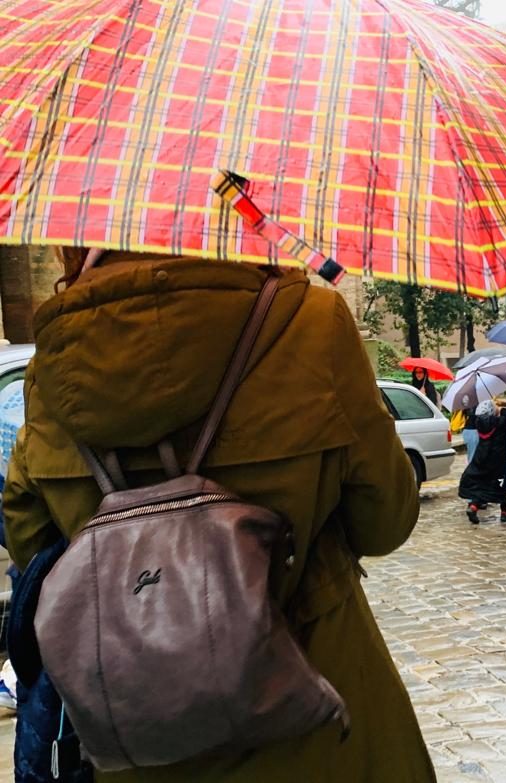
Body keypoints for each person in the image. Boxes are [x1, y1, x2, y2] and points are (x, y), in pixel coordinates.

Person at [2, 250, 435, 781]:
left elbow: (32, 545)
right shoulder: (310, 324)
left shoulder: (50, 364)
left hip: (142, 733)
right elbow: (385, 522)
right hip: (319, 719)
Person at [459, 401, 506, 524]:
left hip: (482, 457)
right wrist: (501, 410)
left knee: (482, 484)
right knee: (503, 485)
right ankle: (505, 512)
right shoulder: (500, 422)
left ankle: (473, 506)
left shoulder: (479, 423)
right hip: (498, 460)